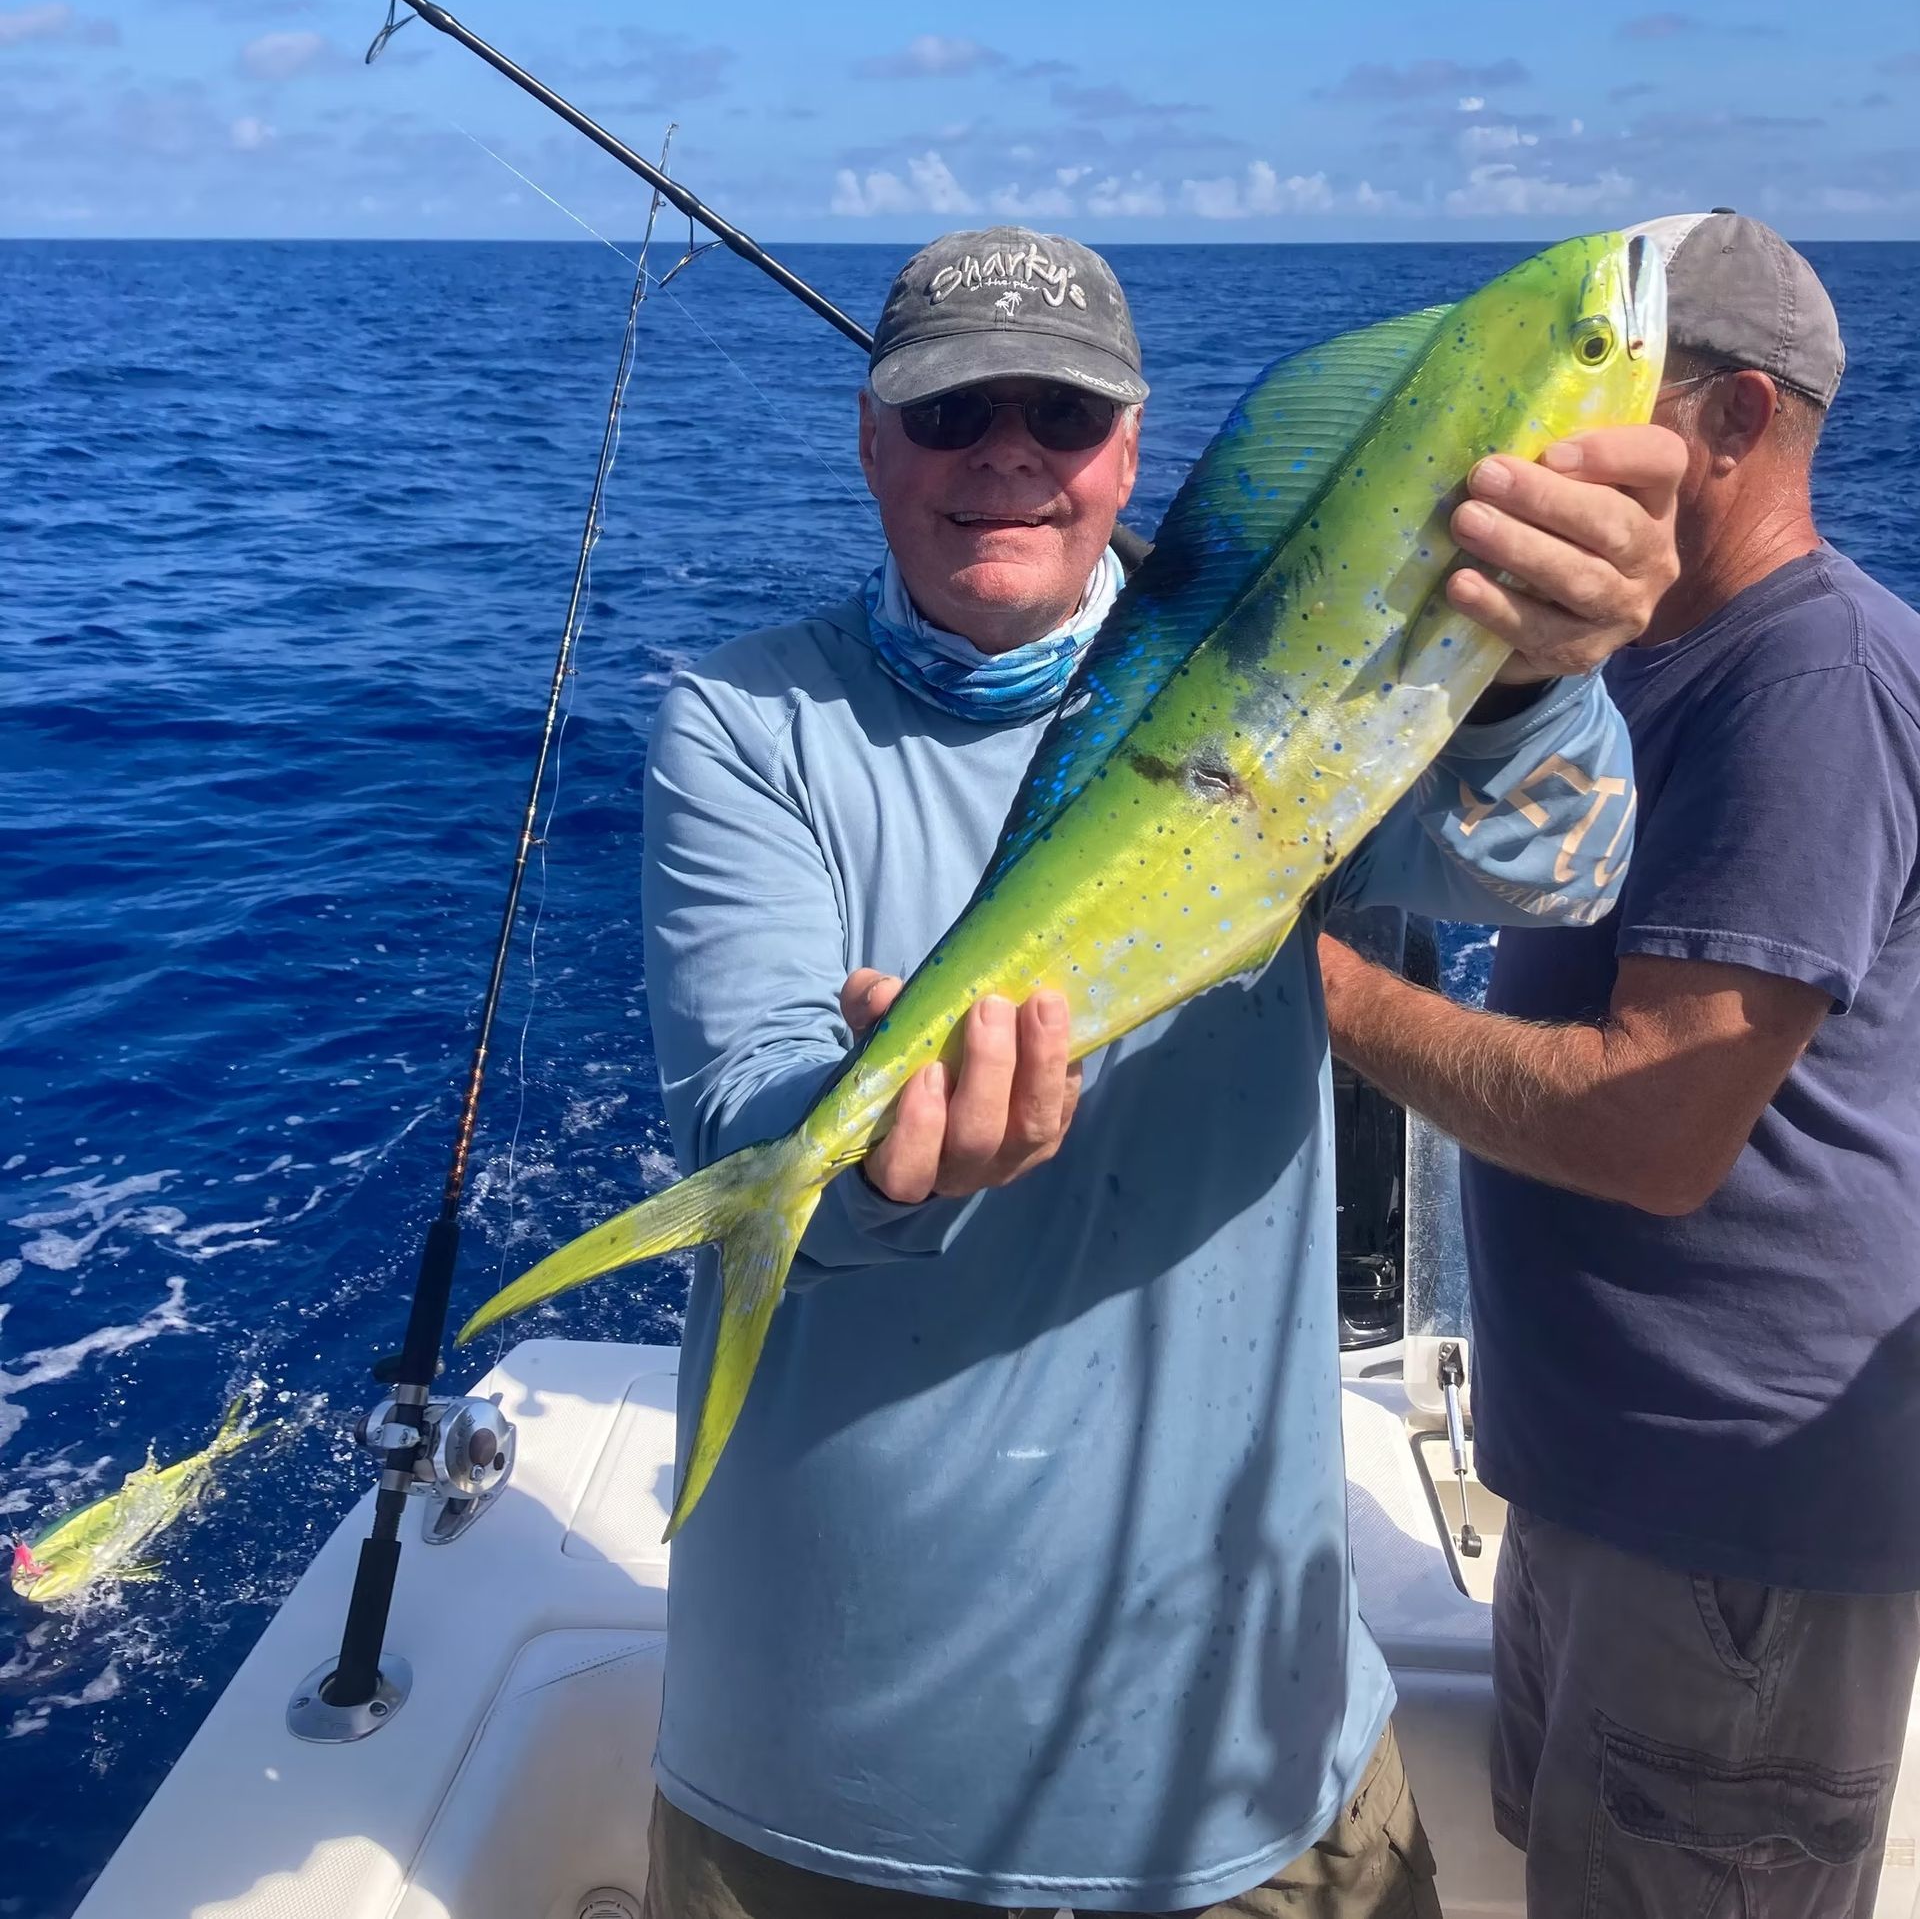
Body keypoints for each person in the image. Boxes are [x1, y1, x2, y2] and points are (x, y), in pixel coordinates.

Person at [639, 225, 1683, 1918]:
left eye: (1061, 413)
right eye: (951, 406)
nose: (1009, 452)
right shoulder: (746, 725)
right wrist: (880, 1161)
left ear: (1131, 447)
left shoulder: (1295, 658)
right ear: (868, 436)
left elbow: (1556, 868)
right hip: (822, 1776)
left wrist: (1538, 673)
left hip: (1249, 1760)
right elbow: (749, 1097)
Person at [1318, 210, 1920, 1918]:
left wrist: (1330, 995)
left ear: (1730, 423)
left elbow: (1660, 1124)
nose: (1542, 438)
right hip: (1606, 1482)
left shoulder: (1810, 682)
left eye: (1605, 390)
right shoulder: (1648, 652)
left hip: (1734, 1541)